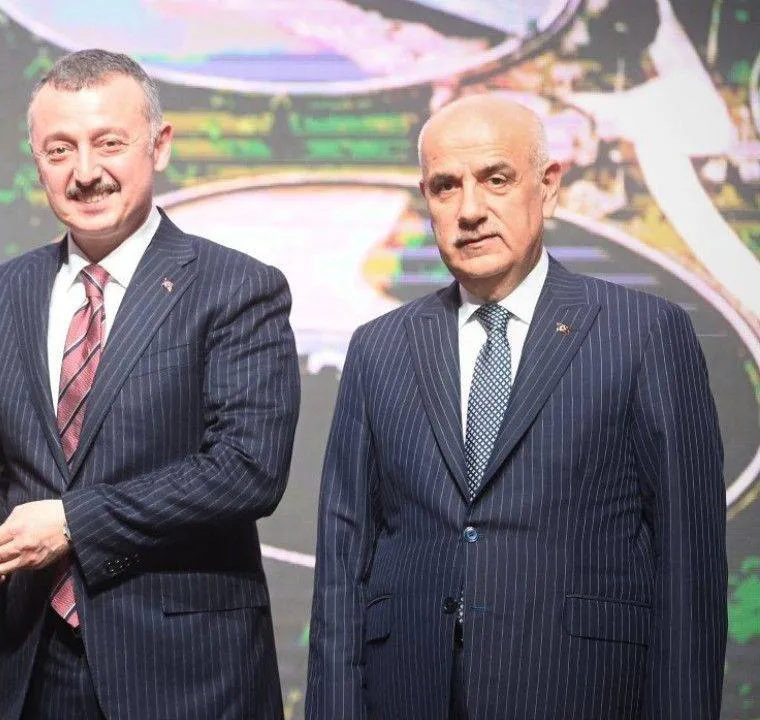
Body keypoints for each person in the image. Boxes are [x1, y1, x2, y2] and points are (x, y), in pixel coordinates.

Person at [0, 49, 300, 719]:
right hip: (34, 671)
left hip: (190, 676)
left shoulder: (236, 288)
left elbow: (247, 470)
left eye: (109, 143)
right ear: (36, 161)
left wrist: (75, 522)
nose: (84, 172)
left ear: (159, 145)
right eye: (59, 149)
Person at [305, 94, 727, 719]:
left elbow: (689, 570)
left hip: (579, 694)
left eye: (496, 179)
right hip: (409, 694)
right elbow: (343, 563)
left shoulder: (644, 333)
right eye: (446, 187)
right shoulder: (379, 348)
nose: (470, 210)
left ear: (548, 187)